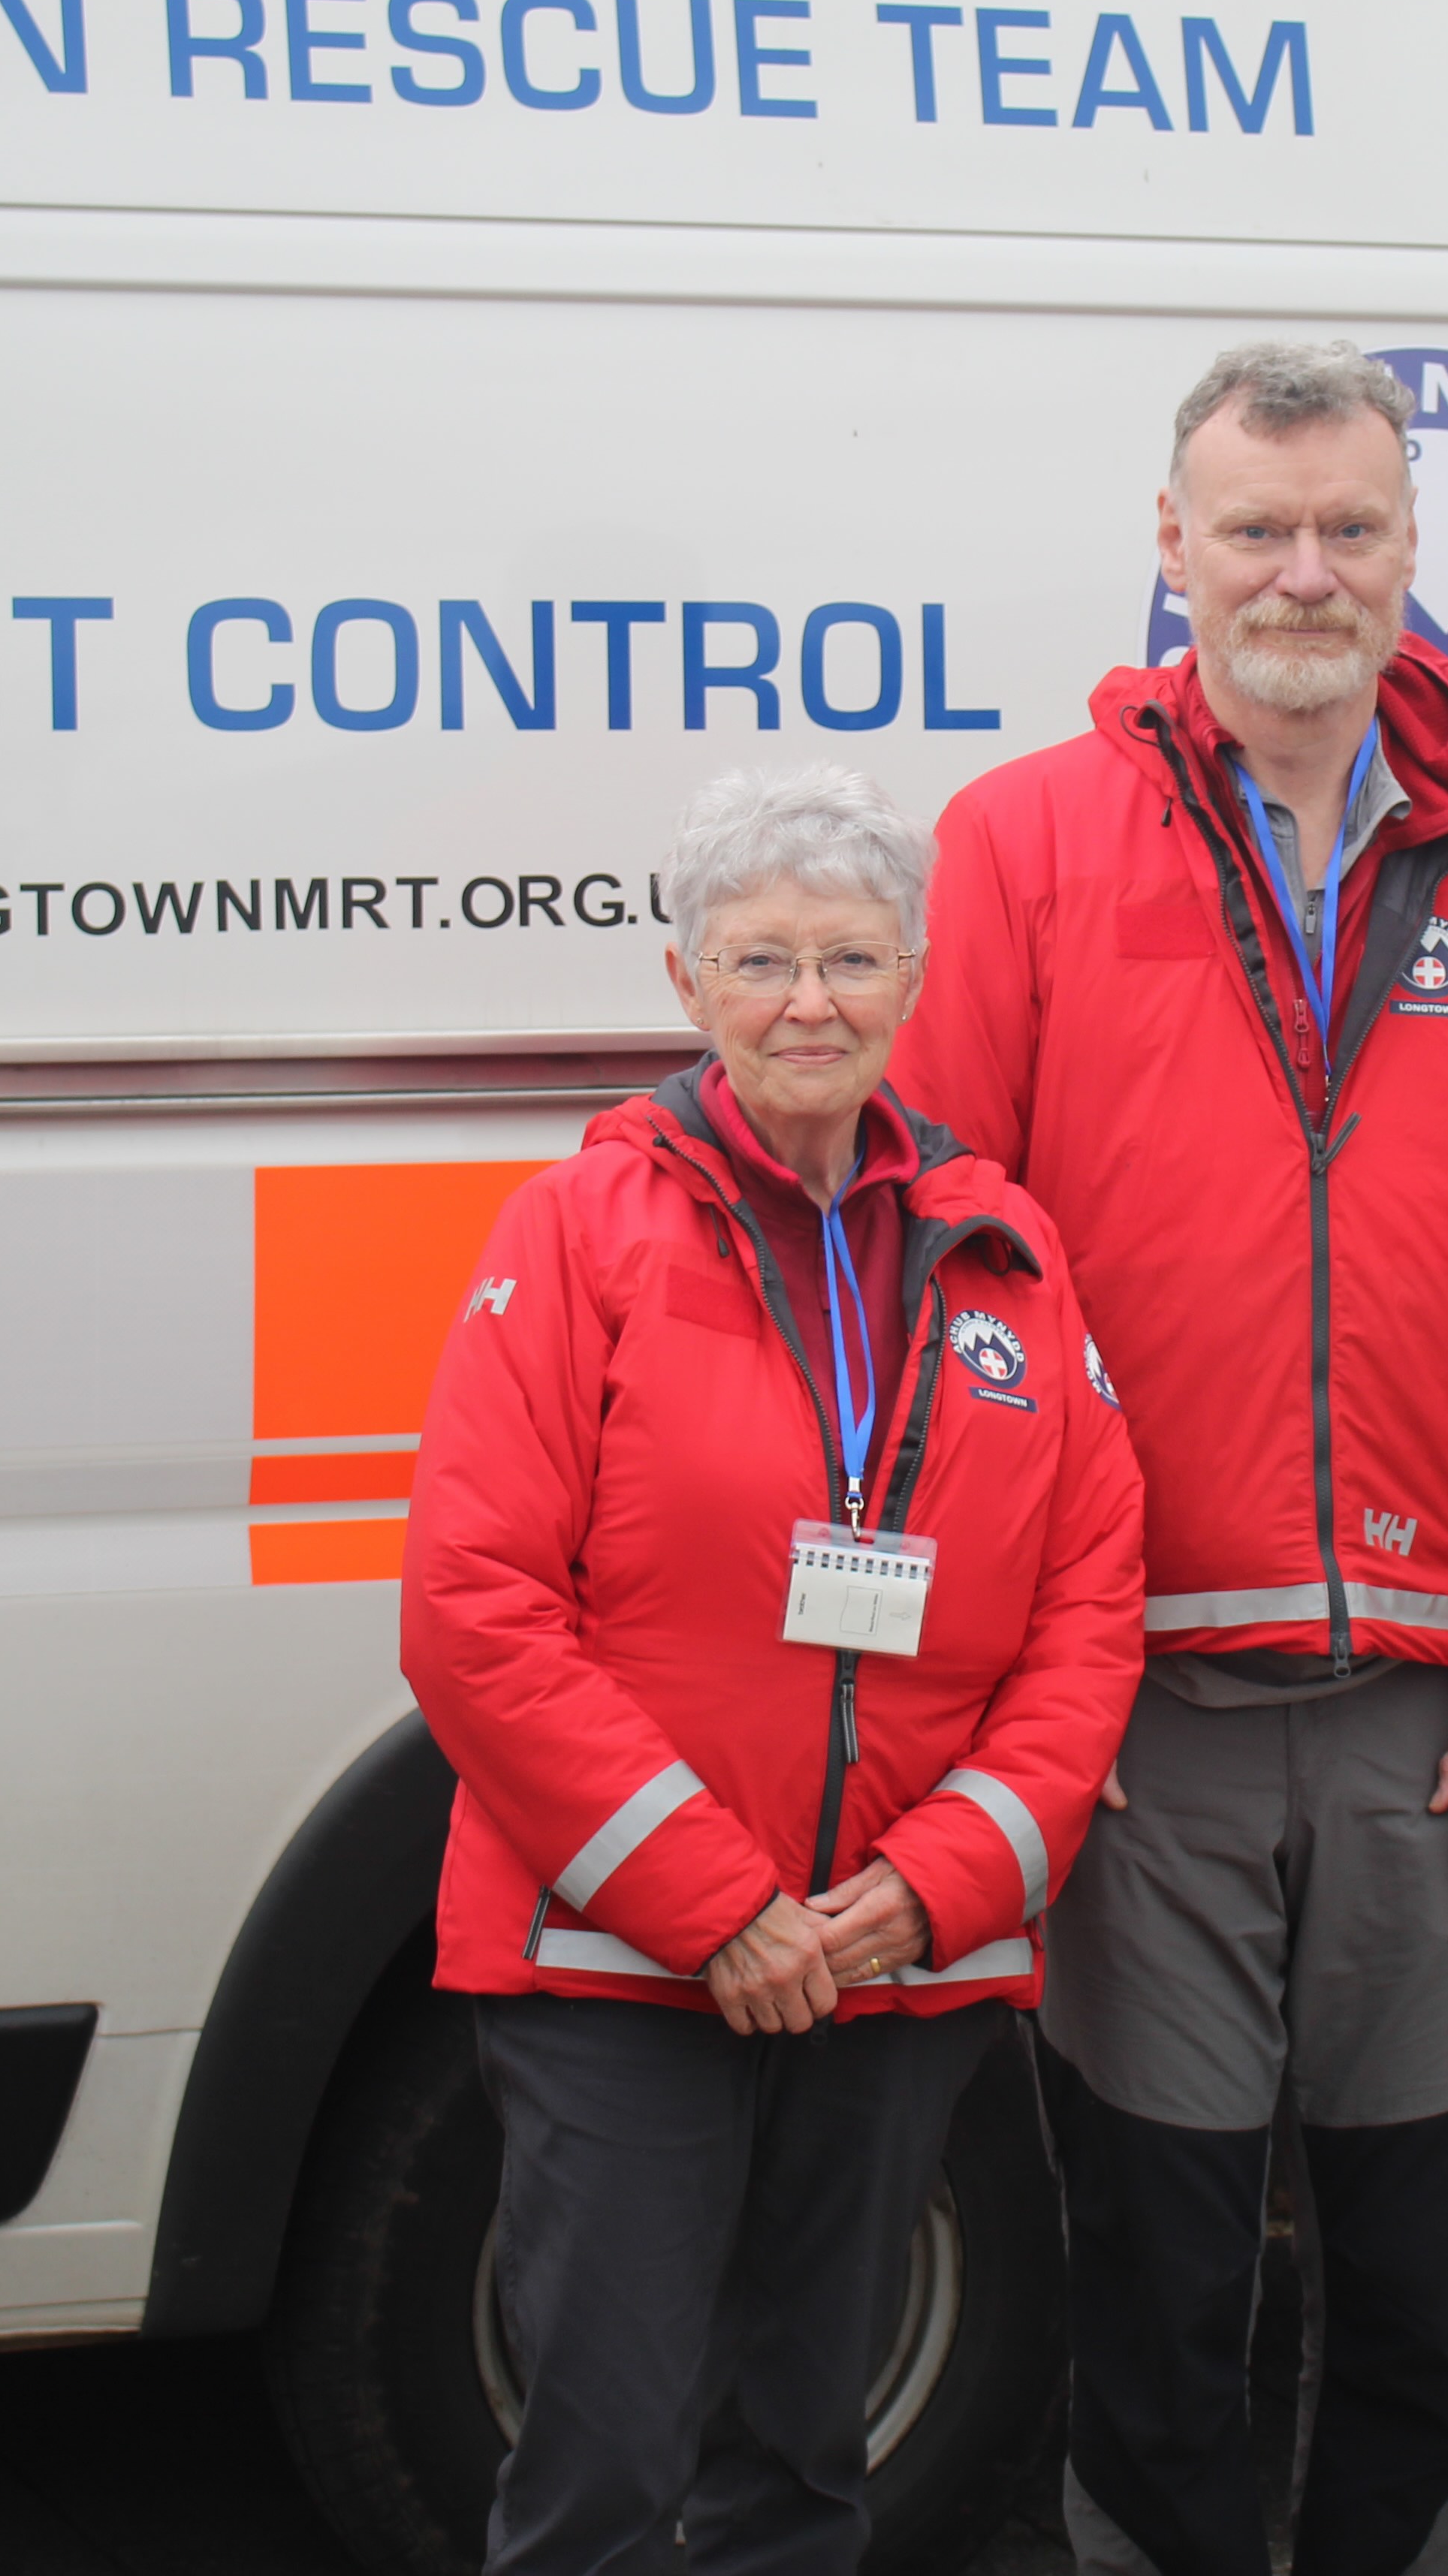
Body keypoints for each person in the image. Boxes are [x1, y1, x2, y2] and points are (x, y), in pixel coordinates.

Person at [894, 339, 1448, 2576]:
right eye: (1257, 528)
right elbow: (955, 1285)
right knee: (1155, 2288)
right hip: (1143, 1711)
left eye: (1349, 529)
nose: (1304, 573)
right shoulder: (1027, 843)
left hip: (1447, 1727)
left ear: (1417, 553)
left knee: (1428, 2281)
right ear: (1175, 552)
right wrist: (1029, 1687)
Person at [400, 764, 1144, 2576]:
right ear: (685, 983)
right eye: (759, 958)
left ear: (912, 980)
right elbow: (472, 1605)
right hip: (626, 1964)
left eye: (850, 956)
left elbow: (1090, 1605)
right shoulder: (577, 1234)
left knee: (809, 2455)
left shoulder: (1008, 1253)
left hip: (894, 1973)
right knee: (598, 2455)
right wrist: (720, 1904)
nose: (807, 997)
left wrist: (933, 1885)